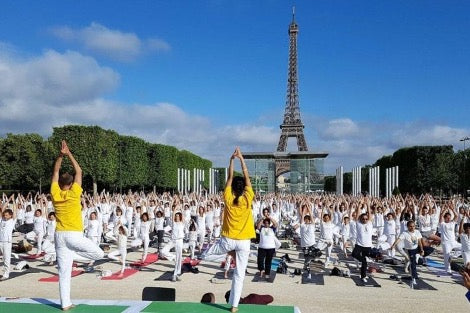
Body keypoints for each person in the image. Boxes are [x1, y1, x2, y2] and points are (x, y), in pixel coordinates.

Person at [51, 140, 104, 311]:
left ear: (60, 183)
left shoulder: (55, 193)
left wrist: (60, 155)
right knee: (98, 253)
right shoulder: (74, 193)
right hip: (73, 234)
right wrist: (69, 154)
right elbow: (79, 170)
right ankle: (74, 258)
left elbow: (55, 170)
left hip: (59, 235)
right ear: (72, 183)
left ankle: (65, 304)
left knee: (64, 273)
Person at [202, 147, 255, 313]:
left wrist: (232, 160)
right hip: (244, 241)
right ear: (244, 188)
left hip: (228, 240)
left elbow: (230, 177)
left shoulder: (228, 197)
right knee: (239, 275)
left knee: (205, 255)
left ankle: (229, 254)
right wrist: (242, 159)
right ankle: (234, 306)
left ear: (232, 189)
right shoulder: (248, 198)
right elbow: (246, 178)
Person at [390, 220, 424, 287]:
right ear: (408, 227)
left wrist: (422, 250)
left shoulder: (417, 232)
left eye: (413, 226)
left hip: (416, 249)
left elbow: (420, 242)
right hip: (409, 250)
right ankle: (413, 278)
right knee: (413, 264)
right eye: (410, 226)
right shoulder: (405, 233)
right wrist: (393, 245)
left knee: (429, 250)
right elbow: (398, 239)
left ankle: (417, 257)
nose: (412, 228)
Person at [352, 199, 373, 283]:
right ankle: (364, 261)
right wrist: (359, 205)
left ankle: (363, 276)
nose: (364, 220)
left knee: (364, 262)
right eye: (363, 219)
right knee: (354, 254)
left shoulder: (369, 223)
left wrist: (368, 205)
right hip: (359, 244)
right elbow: (357, 215)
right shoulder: (358, 223)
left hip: (367, 246)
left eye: (366, 219)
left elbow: (369, 214)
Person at [0, 209, 15, 281]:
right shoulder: (2, 220)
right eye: (4, 215)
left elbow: (14, 211)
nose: (5, 216)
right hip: (1, 241)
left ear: (10, 215)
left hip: (7, 242)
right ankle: (5, 272)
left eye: (7, 215)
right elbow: (2, 209)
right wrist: (8, 200)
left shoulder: (12, 221)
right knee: (3, 258)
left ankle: (6, 274)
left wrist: (13, 201)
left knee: (6, 258)